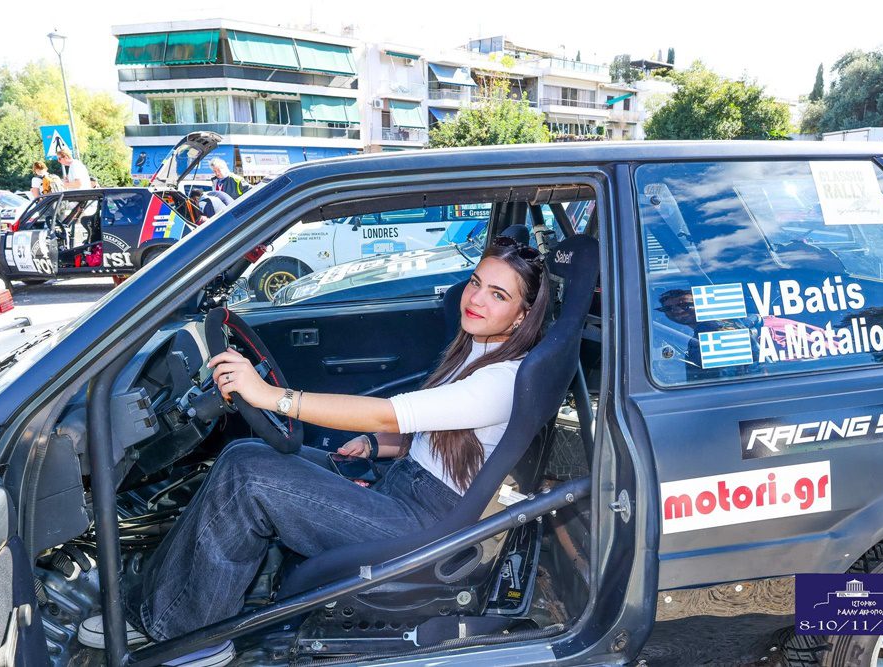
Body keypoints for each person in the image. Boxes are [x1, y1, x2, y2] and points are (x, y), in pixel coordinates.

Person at [76, 237, 548, 664]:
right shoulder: (477, 349)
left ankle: (184, 634)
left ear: (523, 316)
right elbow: (431, 432)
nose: (476, 298)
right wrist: (375, 447)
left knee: (249, 474)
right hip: (404, 486)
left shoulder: (502, 380)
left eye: (498, 294)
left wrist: (272, 397)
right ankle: (167, 604)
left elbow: (390, 413)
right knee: (245, 452)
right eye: (475, 282)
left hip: (420, 524)